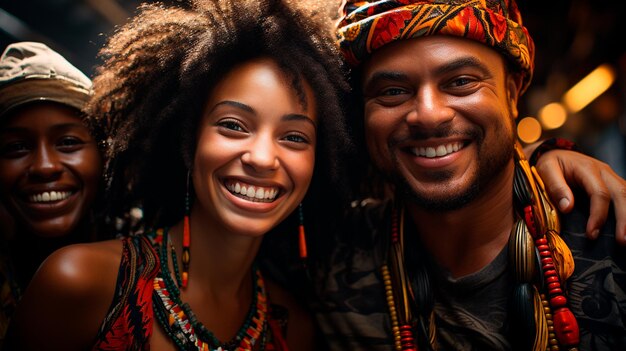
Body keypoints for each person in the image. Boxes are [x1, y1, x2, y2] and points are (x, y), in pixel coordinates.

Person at [5, 0, 353, 350]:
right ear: (187, 138)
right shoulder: (80, 282)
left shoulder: (293, 327)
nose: (262, 158)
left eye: (294, 137)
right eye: (233, 126)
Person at [304, 0, 626, 350]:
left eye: (460, 82)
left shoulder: (611, 239)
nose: (428, 115)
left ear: (512, 92)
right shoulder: (332, 260)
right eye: (393, 91)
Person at [0, 41, 103, 345]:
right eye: (16, 147)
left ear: (104, 153)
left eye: (68, 142)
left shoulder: (153, 258)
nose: (44, 167)